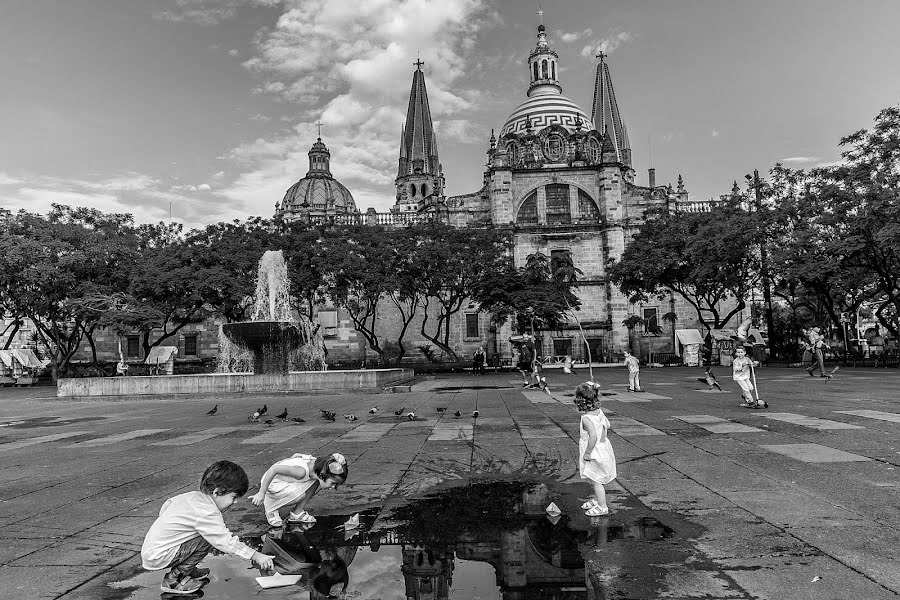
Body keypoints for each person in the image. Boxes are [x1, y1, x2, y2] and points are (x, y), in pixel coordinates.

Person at [141, 461, 275, 595]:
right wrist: (256, 555)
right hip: (161, 555)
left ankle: (187, 569)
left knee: (205, 535)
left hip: (153, 551)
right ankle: (174, 579)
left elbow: (166, 506)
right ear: (217, 492)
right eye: (233, 497)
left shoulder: (191, 497)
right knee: (209, 539)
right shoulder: (207, 511)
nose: (235, 502)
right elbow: (225, 541)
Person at [250, 453, 349, 527]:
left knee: (315, 480)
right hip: (272, 482)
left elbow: (297, 455)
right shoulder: (300, 472)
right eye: (333, 483)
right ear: (323, 474)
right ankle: (270, 509)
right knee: (299, 496)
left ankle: (297, 512)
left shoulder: (318, 467)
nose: (333, 487)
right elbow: (274, 469)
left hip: (286, 480)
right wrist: (261, 493)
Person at [575, 385, 616, 517]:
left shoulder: (586, 419)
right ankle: (599, 498)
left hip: (594, 451)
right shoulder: (600, 412)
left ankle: (602, 506)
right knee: (595, 477)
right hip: (603, 447)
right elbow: (608, 425)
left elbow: (593, 436)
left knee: (596, 480)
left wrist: (587, 452)